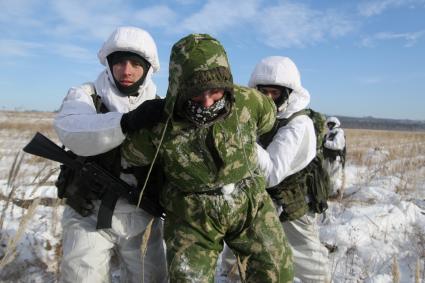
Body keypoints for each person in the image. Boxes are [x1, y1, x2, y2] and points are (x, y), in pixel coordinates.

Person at [121, 34, 294, 282]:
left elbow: (267, 121)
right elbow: (132, 156)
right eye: (195, 95)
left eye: (215, 92)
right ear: (179, 88)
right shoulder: (159, 124)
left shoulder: (249, 102)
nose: (207, 102)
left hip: (249, 203)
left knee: (277, 271)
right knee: (188, 278)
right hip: (191, 214)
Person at [53, 26, 167, 283]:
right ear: (109, 64)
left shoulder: (159, 105)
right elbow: (72, 130)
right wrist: (126, 123)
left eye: (136, 63)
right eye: (120, 62)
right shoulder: (86, 95)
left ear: (148, 68)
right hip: (88, 210)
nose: (127, 70)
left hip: (140, 213)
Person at [219, 56, 331, 283]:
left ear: (287, 93)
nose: (269, 99)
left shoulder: (298, 124)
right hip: (257, 198)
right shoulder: (262, 116)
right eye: (263, 92)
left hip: (291, 202)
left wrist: (243, 139)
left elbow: (271, 173)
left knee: (309, 264)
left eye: (275, 93)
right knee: (237, 251)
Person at [323, 116, 346, 199]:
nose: (329, 126)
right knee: (328, 177)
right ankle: (331, 194)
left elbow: (336, 145)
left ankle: (338, 195)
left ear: (335, 124)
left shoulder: (339, 133)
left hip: (335, 159)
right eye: (328, 124)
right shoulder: (329, 133)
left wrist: (325, 142)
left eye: (330, 124)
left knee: (335, 178)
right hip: (328, 158)